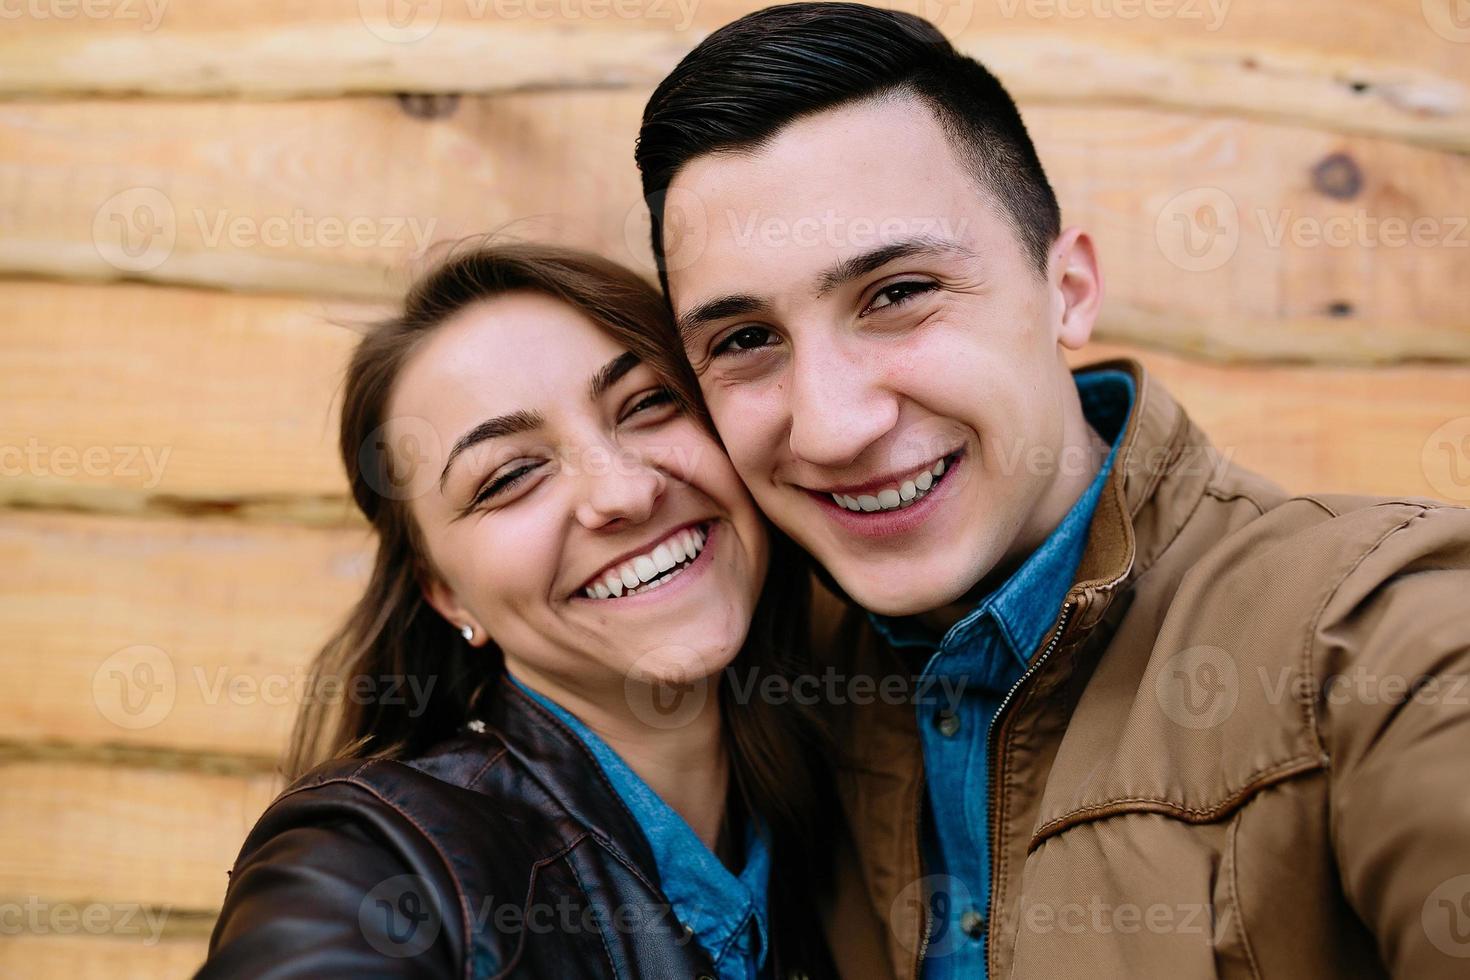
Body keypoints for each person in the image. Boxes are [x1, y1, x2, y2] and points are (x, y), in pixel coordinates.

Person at [633, 5, 1470, 979]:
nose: (830, 424)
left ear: (1066, 287)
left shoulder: (1387, 636)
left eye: (898, 292)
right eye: (744, 341)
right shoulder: (766, 675)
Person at [197, 242, 837, 979]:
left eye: (648, 403)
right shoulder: (372, 864)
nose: (624, 492)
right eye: (510, 475)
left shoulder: (841, 812)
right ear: (444, 592)